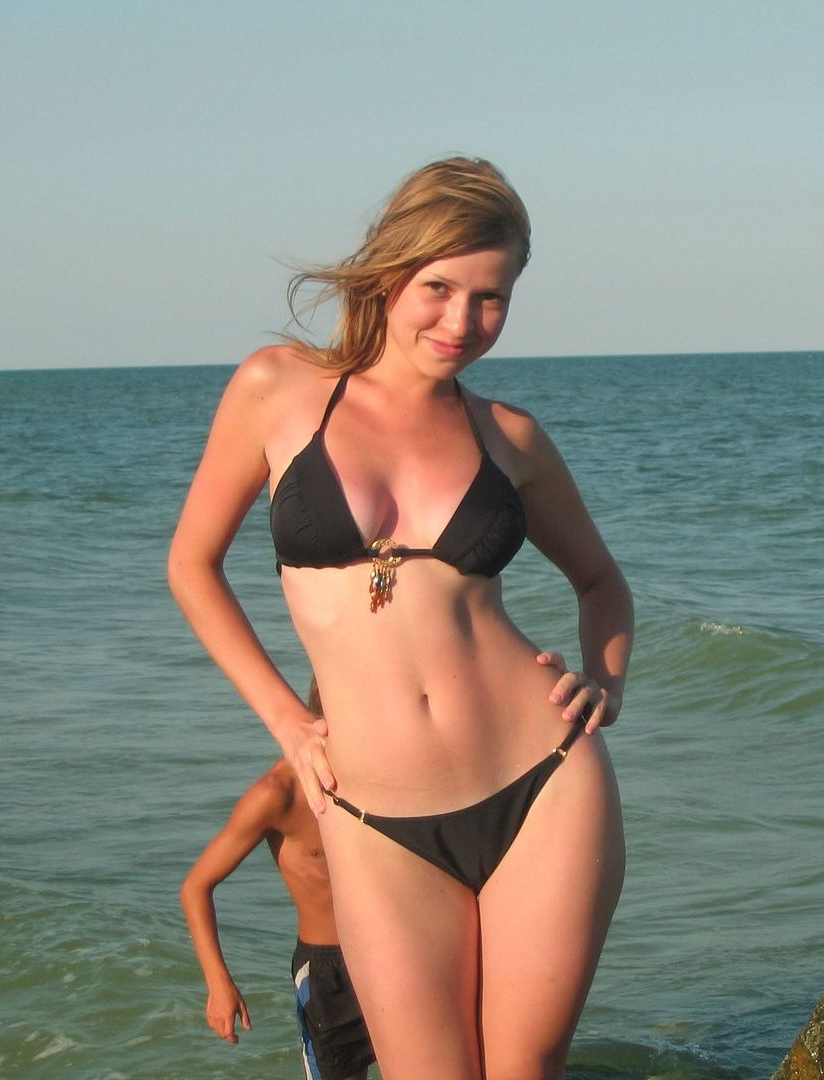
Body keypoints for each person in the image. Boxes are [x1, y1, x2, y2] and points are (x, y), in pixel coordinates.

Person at [169, 156, 631, 1078]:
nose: (463, 322)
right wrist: (287, 721)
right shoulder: (277, 389)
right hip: (373, 813)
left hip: (542, 780)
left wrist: (605, 683)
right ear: (390, 273)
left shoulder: (510, 436)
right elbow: (192, 567)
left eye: (491, 298)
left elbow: (601, 583)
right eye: (440, 288)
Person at [180, 682, 375, 1080]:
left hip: (398, 952)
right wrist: (219, 983)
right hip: (329, 974)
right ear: (321, 722)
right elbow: (196, 886)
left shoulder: (391, 776)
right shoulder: (277, 793)